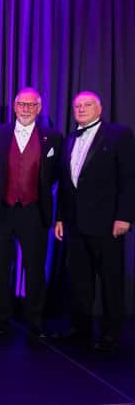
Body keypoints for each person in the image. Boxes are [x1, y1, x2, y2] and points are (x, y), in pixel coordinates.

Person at [54, 91, 135, 352]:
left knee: (111, 278)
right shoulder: (69, 138)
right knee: (80, 279)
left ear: (99, 108)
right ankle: (81, 328)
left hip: (106, 222)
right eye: (77, 105)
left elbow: (129, 179)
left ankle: (111, 332)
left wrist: (124, 216)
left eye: (87, 104)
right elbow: (67, 185)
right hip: (75, 223)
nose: (81, 109)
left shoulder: (119, 134)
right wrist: (60, 218)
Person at [0, 87, 62, 336]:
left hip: (33, 211)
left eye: (31, 105)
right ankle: (1, 318)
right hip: (3, 210)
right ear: (14, 107)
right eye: (21, 104)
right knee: (0, 266)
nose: (26, 109)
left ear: (39, 108)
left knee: (35, 268)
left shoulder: (53, 137)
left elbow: (56, 175)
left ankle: (35, 319)